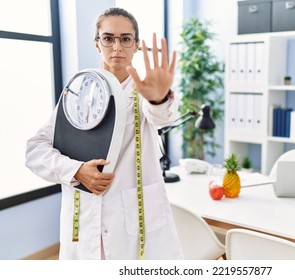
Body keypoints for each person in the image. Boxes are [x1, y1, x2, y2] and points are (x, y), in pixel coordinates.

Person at [25, 7, 183, 260]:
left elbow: (161, 117)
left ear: (136, 45)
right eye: (108, 38)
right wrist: (75, 171)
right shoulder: (77, 92)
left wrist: (159, 99)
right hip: (85, 222)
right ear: (97, 44)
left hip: (134, 225)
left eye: (125, 39)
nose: (117, 47)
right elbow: (35, 150)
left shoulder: (145, 91)